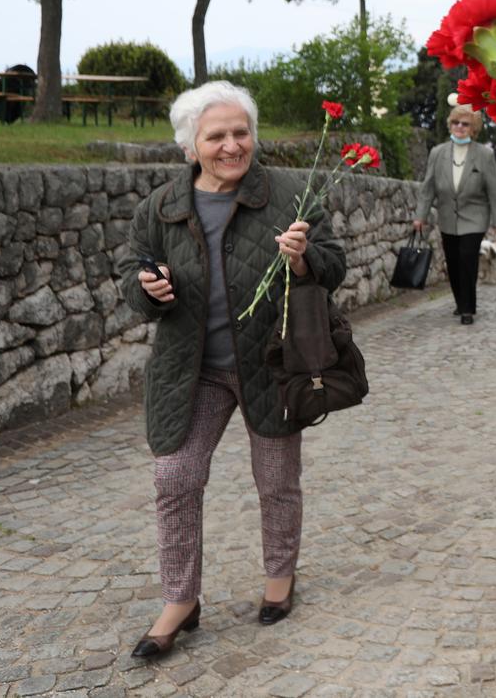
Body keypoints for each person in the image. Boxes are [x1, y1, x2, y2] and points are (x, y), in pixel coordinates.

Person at [118, 81, 346, 659]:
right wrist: (147, 289)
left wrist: (304, 259)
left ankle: (279, 577)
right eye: (216, 135)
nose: (231, 145)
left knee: (276, 479)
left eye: (241, 132)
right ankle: (180, 600)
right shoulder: (160, 207)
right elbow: (130, 277)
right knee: (175, 476)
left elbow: (334, 265)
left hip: (272, 365)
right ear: (190, 146)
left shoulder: (289, 194)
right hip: (191, 370)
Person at [414, 104, 496, 325]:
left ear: (473, 129)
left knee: (467, 259)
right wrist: (420, 216)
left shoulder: (484, 154)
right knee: (453, 262)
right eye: (456, 122)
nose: (460, 127)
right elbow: (428, 187)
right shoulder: (438, 153)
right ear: (450, 125)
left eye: (465, 124)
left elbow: (494, 190)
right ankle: (459, 302)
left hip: (475, 216)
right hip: (447, 216)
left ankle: (468, 309)